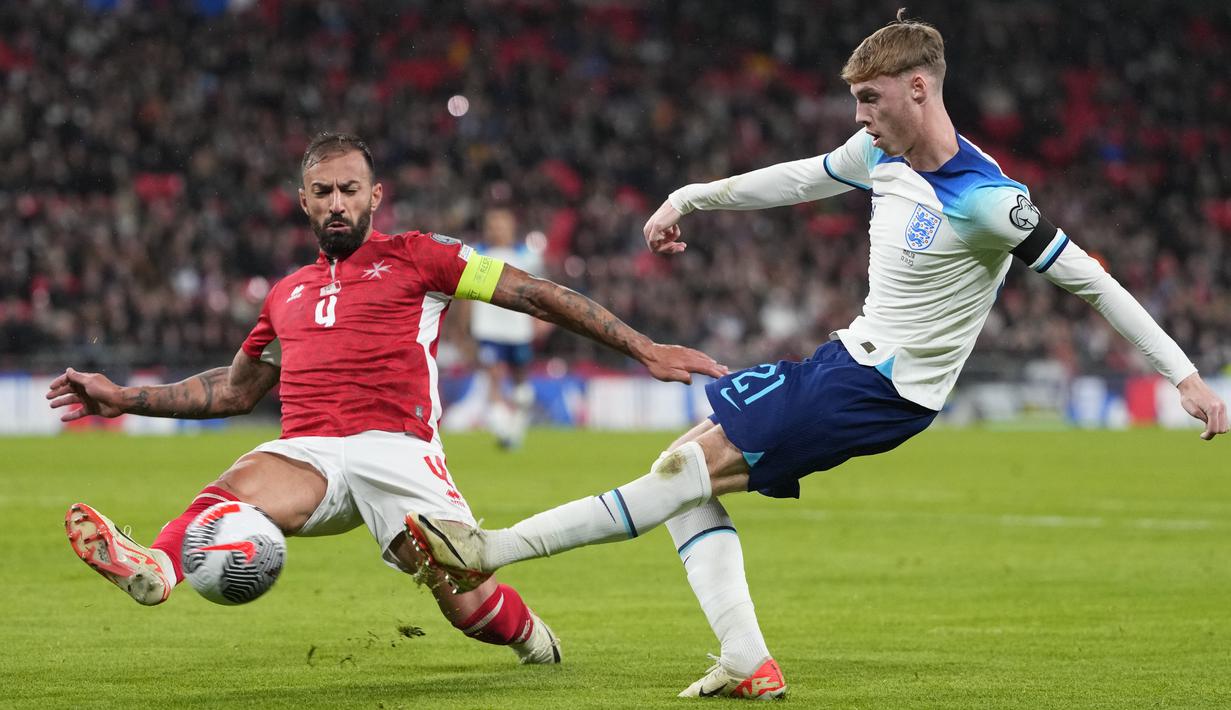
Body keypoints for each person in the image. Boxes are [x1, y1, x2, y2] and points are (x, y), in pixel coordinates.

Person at [404, 12, 1228, 699]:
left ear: (917, 89)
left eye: (871, 99)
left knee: (682, 474)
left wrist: (1183, 376)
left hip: (880, 388)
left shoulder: (990, 201)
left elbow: (1091, 283)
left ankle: (489, 551)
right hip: (846, 363)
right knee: (684, 480)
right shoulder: (879, 156)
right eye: (855, 101)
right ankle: (744, 659)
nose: (860, 116)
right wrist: (691, 196)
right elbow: (797, 179)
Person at [49, 132, 724, 666]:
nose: (337, 202)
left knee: (466, 601)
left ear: (375, 195)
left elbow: (533, 293)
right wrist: (123, 398)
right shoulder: (286, 294)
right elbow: (233, 389)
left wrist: (643, 347)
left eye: (349, 189)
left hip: (397, 450)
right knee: (233, 486)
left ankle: (530, 640)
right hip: (309, 452)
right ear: (304, 201)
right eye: (323, 192)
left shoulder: (421, 256)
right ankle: (156, 568)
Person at [466, 207, 544, 449]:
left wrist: (540, 321)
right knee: (494, 376)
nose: (497, 230)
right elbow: (465, 295)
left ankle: (516, 425)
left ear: (512, 228)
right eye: (493, 226)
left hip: (518, 328)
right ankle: (502, 430)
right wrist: (466, 326)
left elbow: (542, 291)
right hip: (488, 328)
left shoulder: (527, 256)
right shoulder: (475, 254)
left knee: (521, 382)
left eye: (502, 226)